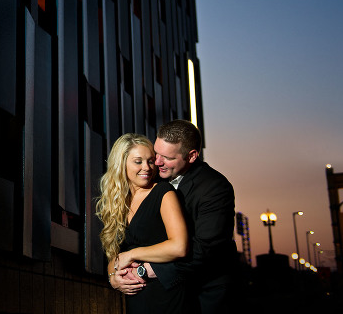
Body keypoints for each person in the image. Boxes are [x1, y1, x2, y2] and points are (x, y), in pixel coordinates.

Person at [111, 120, 237, 314]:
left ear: (192, 155)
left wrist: (146, 269)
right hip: (158, 292)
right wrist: (113, 274)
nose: (157, 162)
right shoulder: (152, 177)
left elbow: (205, 249)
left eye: (166, 157)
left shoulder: (214, 188)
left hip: (205, 292)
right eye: (156, 153)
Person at [96, 133, 190, 313]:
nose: (146, 168)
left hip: (166, 294)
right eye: (138, 162)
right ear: (121, 164)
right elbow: (114, 255)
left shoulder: (164, 192)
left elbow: (179, 246)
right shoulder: (117, 202)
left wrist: (132, 255)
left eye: (150, 161)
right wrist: (112, 277)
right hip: (137, 297)